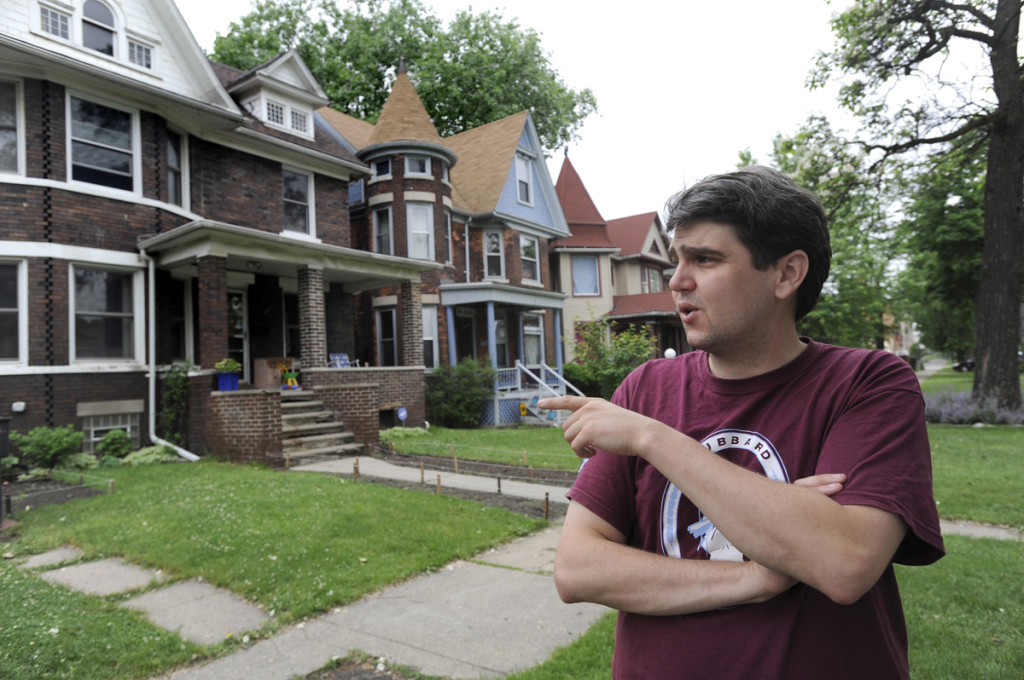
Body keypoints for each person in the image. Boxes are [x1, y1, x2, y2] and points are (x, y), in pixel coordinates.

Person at [539, 166, 944, 680]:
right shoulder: (645, 389)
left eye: (705, 259)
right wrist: (759, 575)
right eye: (676, 260)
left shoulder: (868, 383)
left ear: (786, 274)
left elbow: (844, 562)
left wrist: (652, 438)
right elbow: (578, 569)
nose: (676, 281)